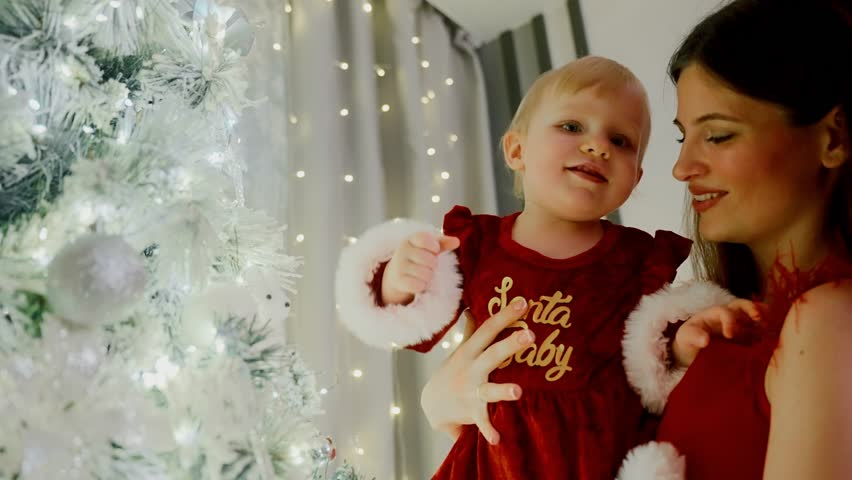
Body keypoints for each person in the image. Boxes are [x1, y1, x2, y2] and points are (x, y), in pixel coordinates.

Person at [419, 1, 852, 479]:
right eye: (683, 137)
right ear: (517, 149)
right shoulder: (715, 319)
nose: (682, 168)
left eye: (720, 135)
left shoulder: (826, 317)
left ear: (832, 139)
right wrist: (441, 400)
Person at [334, 56, 693, 479]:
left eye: (620, 140)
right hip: (492, 459)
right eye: (572, 127)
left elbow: (659, 348)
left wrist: (689, 338)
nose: (598, 146)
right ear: (517, 150)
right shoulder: (478, 244)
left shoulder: (637, 259)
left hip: (599, 453)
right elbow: (417, 324)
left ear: (634, 179)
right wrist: (399, 279)